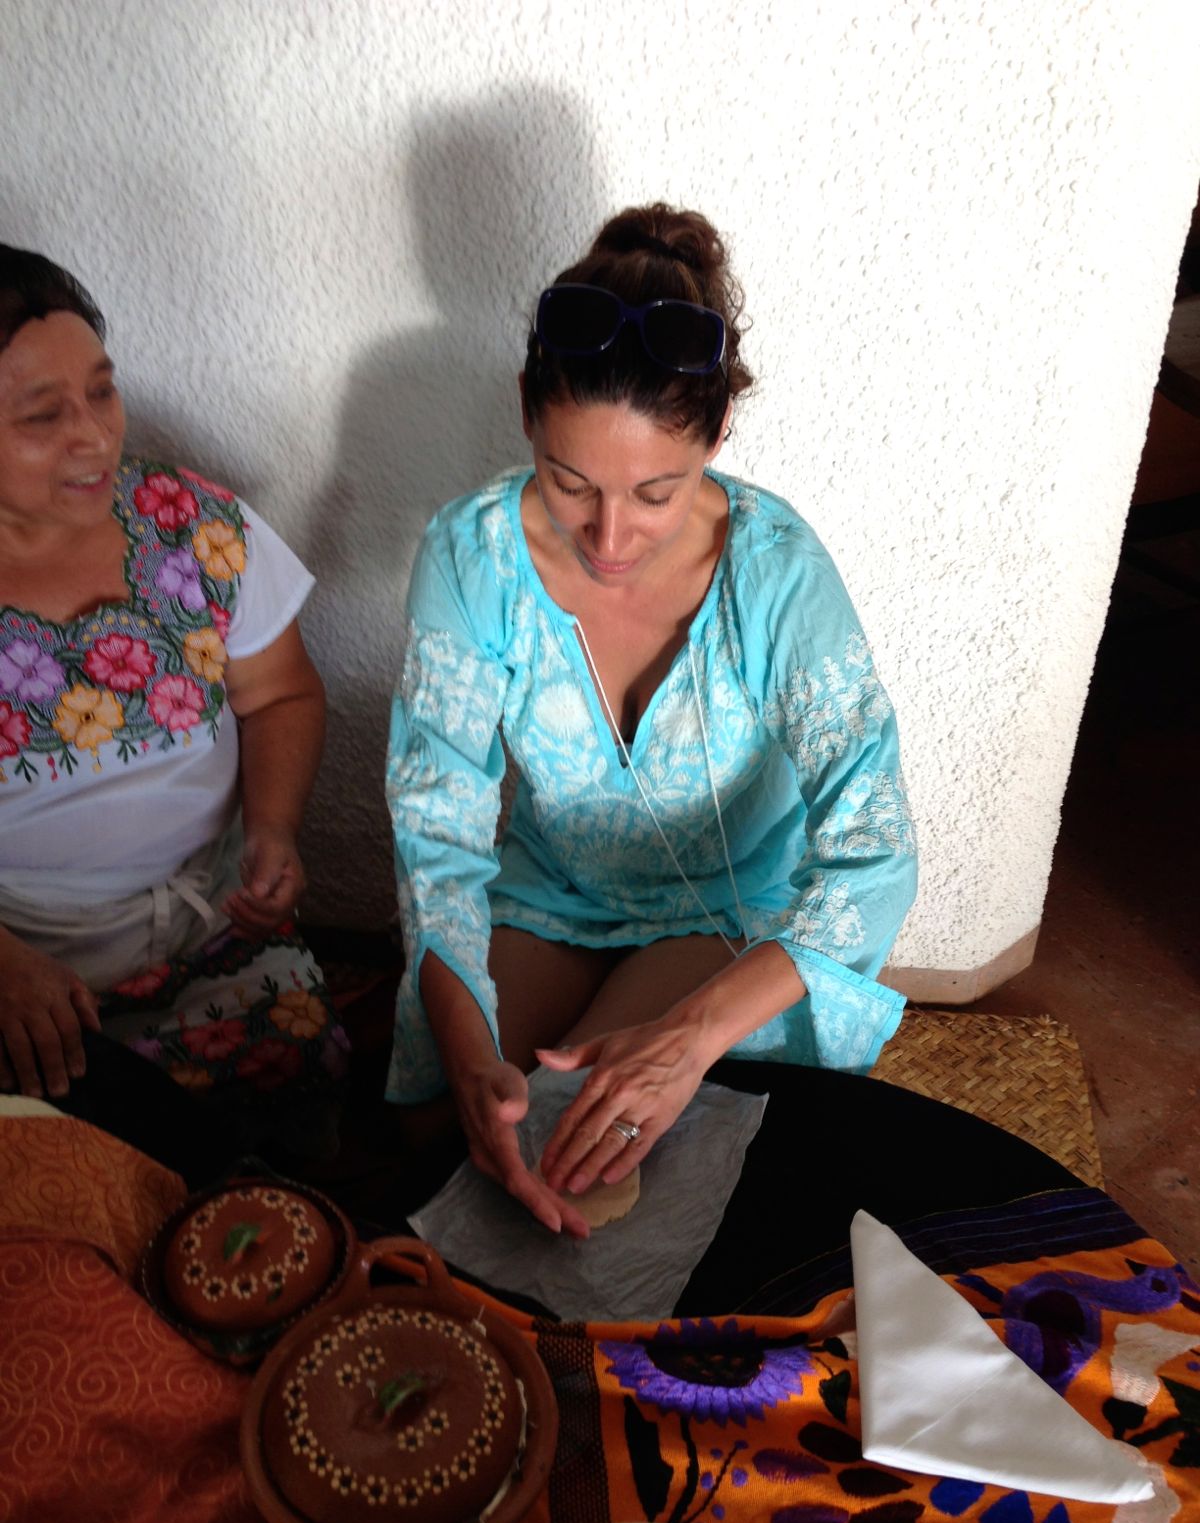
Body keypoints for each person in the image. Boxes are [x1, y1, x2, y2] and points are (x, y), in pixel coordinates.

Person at [387, 204, 917, 1234]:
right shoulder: (473, 555)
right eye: (569, 481)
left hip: (722, 913)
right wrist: (465, 1054)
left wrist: (692, 1037)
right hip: (552, 894)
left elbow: (875, 852)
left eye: (658, 492)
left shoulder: (777, 575)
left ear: (719, 435)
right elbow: (437, 828)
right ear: (528, 416)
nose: (610, 535)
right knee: (439, 1145)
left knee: (583, 1149)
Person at [0, 245, 346, 1160]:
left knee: (295, 1059)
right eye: (42, 415)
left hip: (206, 919)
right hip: (18, 959)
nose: (94, 436)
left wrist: (272, 829)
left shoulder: (192, 527)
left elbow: (278, 695)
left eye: (101, 393)